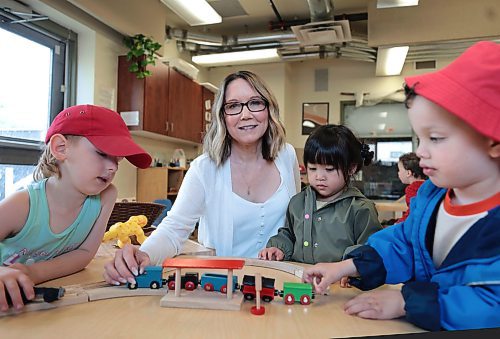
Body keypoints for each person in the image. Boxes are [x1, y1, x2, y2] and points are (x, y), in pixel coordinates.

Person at [302, 41, 500, 331]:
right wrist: (345, 267)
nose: (421, 152)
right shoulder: (431, 197)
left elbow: (490, 306)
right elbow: (404, 243)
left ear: (493, 140)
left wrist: (408, 303)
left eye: (436, 138)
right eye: (420, 139)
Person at [104, 70, 300, 286]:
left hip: (283, 282)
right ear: (222, 116)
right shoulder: (204, 169)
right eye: (233, 106)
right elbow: (174, 229)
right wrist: (144, 254)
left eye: (255, 102)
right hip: (226, 286)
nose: (245, 114)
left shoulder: (286, 155)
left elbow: (299, 219)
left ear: (268, 108)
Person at [0, 104, 152, 311]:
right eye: (102, 153)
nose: (113, 167)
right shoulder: (21, 204)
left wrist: (32, 273)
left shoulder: (106, 196)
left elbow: (84, 254)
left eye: (118, 159)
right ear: (61, 148)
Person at [259, 124, 382, 264]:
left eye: (329, 169)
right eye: (312, 168)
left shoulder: (360, 208)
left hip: (338, 283)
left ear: (351, 168)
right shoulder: (297, 202)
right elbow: (288, 234)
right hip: (299, 280)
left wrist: (352, 267)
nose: (319, 177)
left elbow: (370, 250)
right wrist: (278, 248)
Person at [396, 152, 427, 223]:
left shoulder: (412, 189)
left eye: (399, 170)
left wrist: (398, 223)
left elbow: (412, 212)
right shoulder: (427, 185)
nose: (398, 173)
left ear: (408, 173)